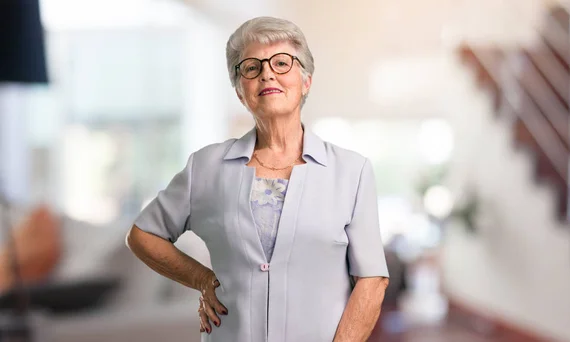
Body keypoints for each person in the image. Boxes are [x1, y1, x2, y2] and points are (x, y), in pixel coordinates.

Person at [126, 16, 389, 342]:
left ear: (305, 81)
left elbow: (372, 279)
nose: (267, 73)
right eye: (251, 67)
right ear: (240, 91)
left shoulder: (352, 171)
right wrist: (201, 279)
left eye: (281, 63)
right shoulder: (206, 167)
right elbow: (143, 235)